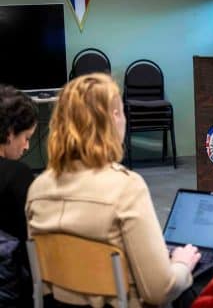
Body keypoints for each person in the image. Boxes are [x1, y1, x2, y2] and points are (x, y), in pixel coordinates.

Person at [25, 73, 201, 308]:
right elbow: (160, 291)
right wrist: (181, 264)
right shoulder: (126, 188)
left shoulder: (37, 189)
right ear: (115, 116)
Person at [0, 84, 38, 306]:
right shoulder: (17, 176)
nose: (26, 146)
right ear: (9, 133)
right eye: (25, 137)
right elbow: (31, 240)